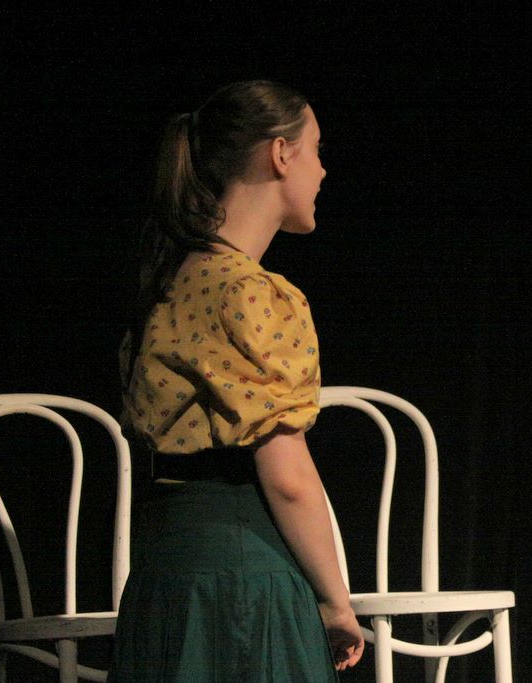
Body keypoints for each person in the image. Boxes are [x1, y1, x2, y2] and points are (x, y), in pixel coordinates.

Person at [110, 80, 364, 681]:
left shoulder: (165, 281)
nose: (323, 171)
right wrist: (336, 602)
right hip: (245, 579)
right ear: (280, 154)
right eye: (316, 151)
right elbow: (288, 478)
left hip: (162, 574)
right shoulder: (254, 293)